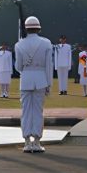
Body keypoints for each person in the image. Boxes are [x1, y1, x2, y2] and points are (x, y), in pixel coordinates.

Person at [15, 16, 53, 153]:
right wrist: (49, 84)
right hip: (41, 79)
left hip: (26, 79)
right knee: (38, 111)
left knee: (25, 111)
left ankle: (26, 141)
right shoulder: (46, 43)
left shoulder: (19, 44)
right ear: (38, 28)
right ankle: (36, 141)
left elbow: (18, 66)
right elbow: (49, 66)